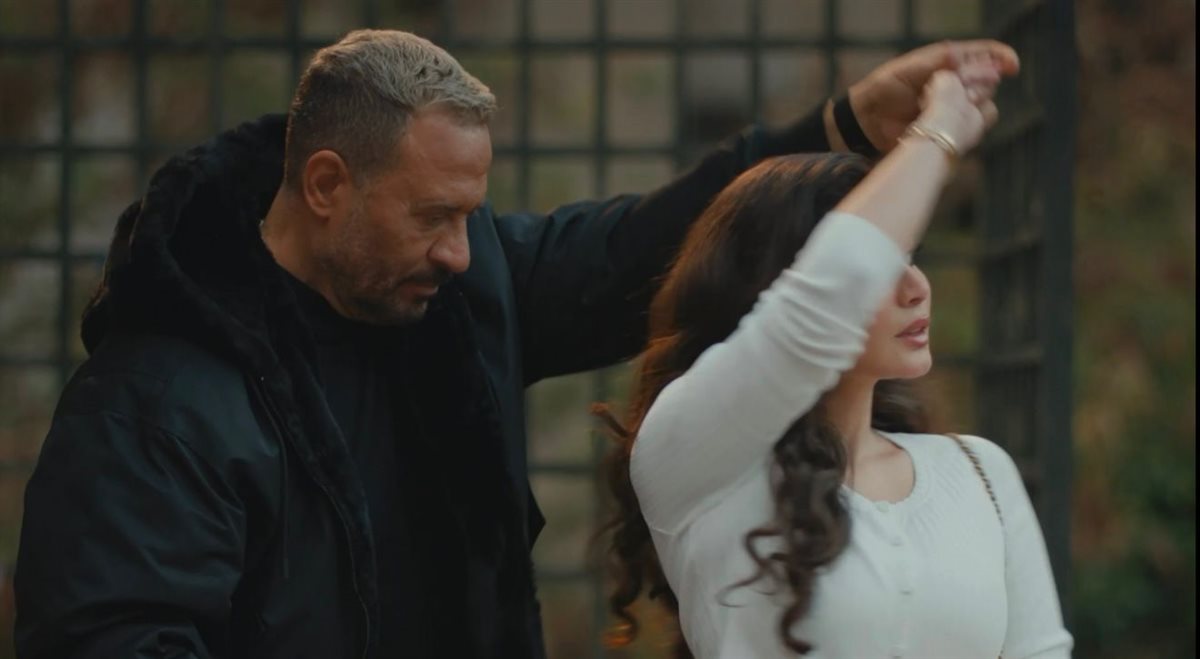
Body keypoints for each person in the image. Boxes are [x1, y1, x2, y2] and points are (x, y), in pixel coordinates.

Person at [14, 28, 1018, 659]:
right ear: (325, 185)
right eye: (432, 216)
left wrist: (842, 127)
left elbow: (648, 250)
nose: (461, 250)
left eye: (472, 215)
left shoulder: (460, 290)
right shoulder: (157, 400)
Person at [600, 61, 1073, 658]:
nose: (915, 288)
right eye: (883, 264)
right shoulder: (696, 457)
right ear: (769, 288)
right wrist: (938, 133)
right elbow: (817, 308)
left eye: (911, 256)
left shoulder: (979, 471)